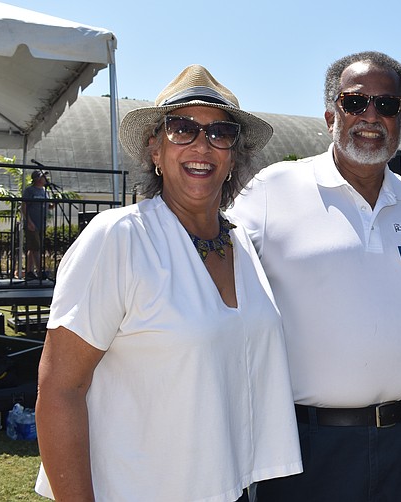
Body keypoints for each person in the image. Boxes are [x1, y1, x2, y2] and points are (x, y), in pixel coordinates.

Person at [34, 65, 302, 501]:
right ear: (155, 150)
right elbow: (60, 389)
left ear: (234, 155)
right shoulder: (119, 238)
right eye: (182, 129)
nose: (202, 145)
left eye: (220, 132)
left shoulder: (241, 246)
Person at [230, 51, 401, 502]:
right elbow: (210, 274)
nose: (370, 116)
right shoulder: (272, 190)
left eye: (387, 105)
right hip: (307, 449)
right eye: (355, 102)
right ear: (331, 115)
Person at [22, 170, 53, 280]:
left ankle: (29, 271)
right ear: (37, 179)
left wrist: (53, 205)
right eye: (43, 177)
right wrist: (29, 221)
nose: (45, 179)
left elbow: (47, 205)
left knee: (33, 247)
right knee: (36, 248)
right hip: (32, 223)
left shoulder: (45, 191)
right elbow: (24, 206)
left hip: (41, 223)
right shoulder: (30, 190)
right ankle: (40, 271)